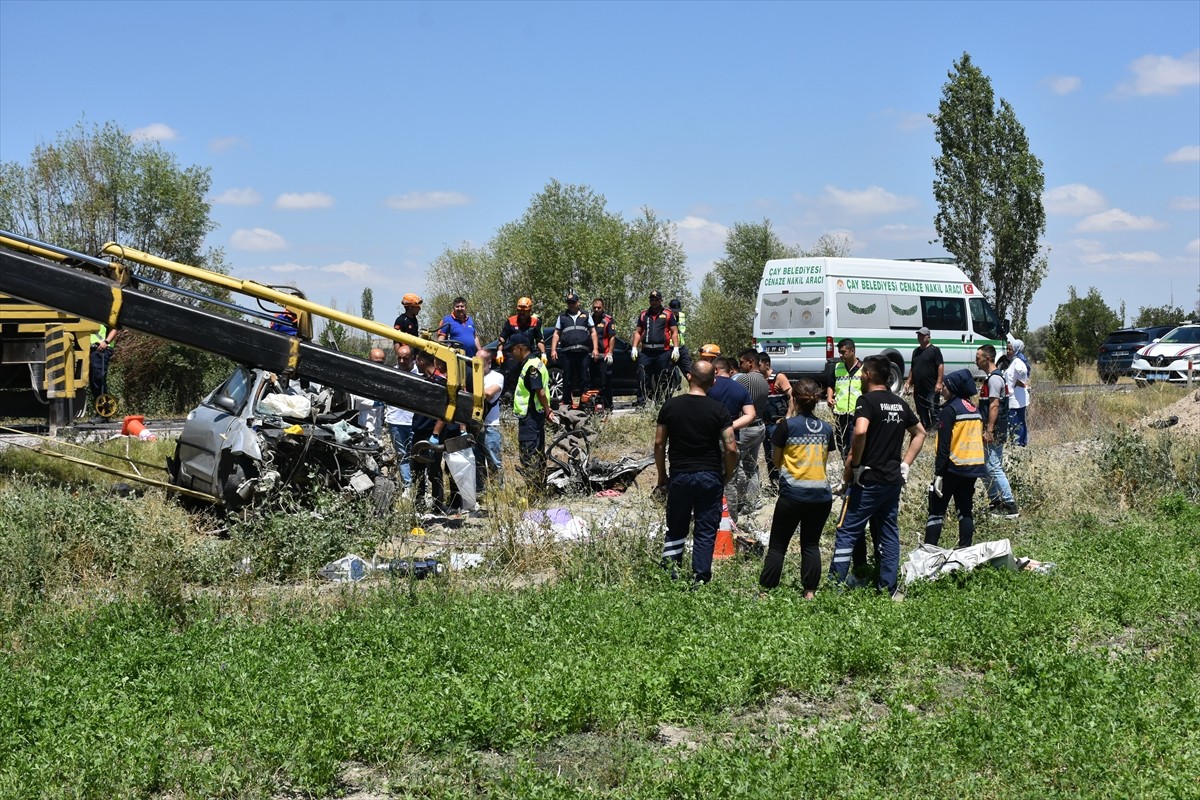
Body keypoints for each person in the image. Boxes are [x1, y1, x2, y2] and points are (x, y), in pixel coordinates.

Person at [829, 354, 926, 597]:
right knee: (888, 532)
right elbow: (921, 433)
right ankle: (888, 587)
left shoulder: (866, 400)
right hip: (892, 480)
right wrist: (906, 464)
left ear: (869, 375)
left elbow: (860, 432)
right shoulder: (900, 404)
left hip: (868, 479)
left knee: (847, 530)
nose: (861, 376)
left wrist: (857, 465)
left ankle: (835, 586)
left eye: (862, 373)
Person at [653, 360, 738, 584]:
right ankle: (700, 579)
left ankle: (669, 577)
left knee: (676, 527)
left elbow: (659, 443)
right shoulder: (719, 409)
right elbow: (731, 447)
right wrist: (727, 474)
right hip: (710, 476)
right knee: (705, 530)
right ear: (713, 382)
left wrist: (662, 474)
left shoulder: (670, 406)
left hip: (680, 475)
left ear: (689, 376)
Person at [759, 378, 835, 598]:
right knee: (811, 544)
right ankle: (810, 593)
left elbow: (775, 457)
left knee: (778, 545)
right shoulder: (827, 428)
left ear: (794, 399)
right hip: (821, 494)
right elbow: (824, 458)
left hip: (793, 493)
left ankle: (766, 591)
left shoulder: (787, 425)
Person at [924, 369, 987, 549]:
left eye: (944, 385)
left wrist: (938, 474)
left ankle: (928, 553)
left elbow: (944, 446)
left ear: (952, 388)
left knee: (936, 511)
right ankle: (965, 550)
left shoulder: (950, 410)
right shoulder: (973, 409)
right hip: (973, 468)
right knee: (965, 511)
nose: (941, 389)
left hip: (953, 468)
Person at [708, 357, 758, 526]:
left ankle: (705, 517)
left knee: (707, 477)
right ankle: (729, 522)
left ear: (715, 370)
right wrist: (729, 426)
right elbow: (751, 415)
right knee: (730, 482)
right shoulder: (740, 389)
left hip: (707, 439)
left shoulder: (708, 387)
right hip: (731, 441)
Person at [976, 345, 1019, 518]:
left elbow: (994, 405)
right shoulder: (992, 378)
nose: (976, 359)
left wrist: (989, 430)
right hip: (991, 429)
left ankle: (1009, 505)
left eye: (978, 357)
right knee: (986, 466)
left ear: (987, 359)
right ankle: (995, 502)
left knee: (993, 466)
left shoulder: (994, 379)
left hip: (993, 430)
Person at [411, 350, 453, 514]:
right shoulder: (424, 381)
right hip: (419, 431)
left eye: (416, 362)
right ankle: (419, 503)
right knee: (417, 469)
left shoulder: (440, 382)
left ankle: (437, 504)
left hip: (433, 433)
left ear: (421, 361)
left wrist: (435, 434)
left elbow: (445, 411)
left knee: (434, 469)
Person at [509, 332, 554, 485]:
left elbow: (540, 392)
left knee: (529, 453)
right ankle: (540, 485)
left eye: (512, 349)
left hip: (530, 417)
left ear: (521, 348)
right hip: (536, 415)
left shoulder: (531, 367)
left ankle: (534, 488)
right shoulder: (537, 362)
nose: (511, 353)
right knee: (539, 451)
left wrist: (548, 410)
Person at [731, 349, 771, 517]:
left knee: (736, 466)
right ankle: (754, 501)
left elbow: (729, 390)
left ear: (750, 362)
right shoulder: (763, 380)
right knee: (751, 466)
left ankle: (738, 502)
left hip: (745, 428)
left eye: (741, 362)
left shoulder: (745, 379)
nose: (740, 366)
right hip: (759, 426)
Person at [630, 290, 679, 405]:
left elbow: (674, 331)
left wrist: (676, 348)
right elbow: (638, 332)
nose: (653, 302)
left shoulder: (668, 313)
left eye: (656, 299)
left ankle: (664, 403)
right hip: (646, 352)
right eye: (651, 299)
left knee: (662, 378)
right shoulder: (643, 314)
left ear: (661, 300)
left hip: (663, 351)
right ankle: (641, 403)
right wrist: (634, 347)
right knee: (642, 377)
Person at [550, 293, 598, 408]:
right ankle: (566, 403)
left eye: (573, 302)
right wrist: (553, 350)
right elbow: (556, 334)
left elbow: (593, 332)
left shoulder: (586, 315)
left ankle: (585, 404)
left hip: (583, 353)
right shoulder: (562, 317)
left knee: (584, 378)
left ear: (578, 303)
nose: (571, 305)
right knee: (567, 379)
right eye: (569, 303)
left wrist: (595, 348)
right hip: (567, 353)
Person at [385, 344, 420, 488]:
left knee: (417, 455)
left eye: (405, 359)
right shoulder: (392, 373)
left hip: (415, 422)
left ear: (413, 358)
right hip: (396, 421)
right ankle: (407, 486)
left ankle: (420, 485)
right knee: (402, 454)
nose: (401, 362)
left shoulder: (421, 374)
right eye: (398, 358)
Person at [825, 338, 864, 459]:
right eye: (839, 352)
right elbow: (831, 385)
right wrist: (830, 397)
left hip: (856, 413)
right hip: (840, 413)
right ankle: (845, 464)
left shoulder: (863, 368)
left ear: (852, 351)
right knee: (841, 443)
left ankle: (853, 468)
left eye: (843, 352)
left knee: (854, 443)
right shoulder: (837, 368)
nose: (841, 355)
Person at [757, 353, 792, 483]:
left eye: (759, 364)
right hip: (764, 424)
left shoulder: (779, 377)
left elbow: (792, 396)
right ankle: (774, 483)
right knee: (768, 456)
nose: (757, 367)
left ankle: (784, 483)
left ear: (766, 364)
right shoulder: (759, 379)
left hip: (777, 424)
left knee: (777, 454)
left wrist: (788, 416)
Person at [497, 297, 545, 389]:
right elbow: (502, 338)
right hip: (513, 355)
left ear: (530, 310)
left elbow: (539, 340)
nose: (522, 313)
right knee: (512, 379)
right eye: (520, 311)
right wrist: (499, 351)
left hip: (529, 355)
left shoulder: (535, 322)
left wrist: (543, 353)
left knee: (530, 378)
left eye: (524, 311)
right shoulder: (511, 321)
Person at [475, 349, 505, 494]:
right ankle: (480, 492)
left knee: (494, 462)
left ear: (488, 362)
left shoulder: (497, 377)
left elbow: (488, 393)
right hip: (475, 427)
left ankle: (498, 492)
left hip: (490, 427)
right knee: (477, 463)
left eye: (479, 362)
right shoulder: (473, 376)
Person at [903, 327, 944, 432]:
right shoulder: (916, 351)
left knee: (933, 409)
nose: (920, 337)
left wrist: (939, 382)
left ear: (928, 337)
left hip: (931, 387)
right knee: (921, 411)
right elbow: (913, 369)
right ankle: (926, 429)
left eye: (922, 335)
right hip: (918, 388)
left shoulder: (934, 350)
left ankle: (936, 430)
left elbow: (940, 366)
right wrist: (908, 382)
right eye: (918, 335)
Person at [354, 348, 389, 438]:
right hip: (364, 419)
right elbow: (355, 397)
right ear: (369, 359)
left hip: (378, 420)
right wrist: (374, 403)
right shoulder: (361, 375)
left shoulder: (383, 376)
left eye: (381, 363)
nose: (378, 365)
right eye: (375, 362)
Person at [589, 298, 616, 408]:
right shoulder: (589, 319)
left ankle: (608, 406)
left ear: (603, 307)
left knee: (605, 382)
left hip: (604, 355)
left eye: (599, 307)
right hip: (591, 356)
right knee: (591, 382)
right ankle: (593, 406)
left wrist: (610, 353)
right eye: (594, 307)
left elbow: (612, 337)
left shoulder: (608, 320)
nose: (596, 309)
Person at [1005, 338, 1030, 447]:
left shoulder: (1018, 361)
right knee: (1020, 421)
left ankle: (1017, 445)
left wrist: (1018, 383)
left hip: (1015, 399)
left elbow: (1023, 372)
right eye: (1007, 349)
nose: (1008, 351)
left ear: (1015, 350)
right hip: (1017, 398)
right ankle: (1022, 443)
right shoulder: (1015, 361)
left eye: (1010, 349)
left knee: (1015, 423)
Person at [88, 324, 121, 401]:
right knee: (93, 381)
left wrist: (106, 342)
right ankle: (100, 406)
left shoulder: (104, 313)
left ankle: (105, 406)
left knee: (99, 379)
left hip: (101, 349)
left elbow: (115, 327)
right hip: (91, 349)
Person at [668, 298, 693, 388]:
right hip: (669, 349)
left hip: (681, 348)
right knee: (667, 374)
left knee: (691, 372)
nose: (676, 312)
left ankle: (696, 393)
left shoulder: (682, 315)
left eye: (677, 310)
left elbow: (681, 331)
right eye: (674, 310)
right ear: (669, 308)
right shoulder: (666, 316)